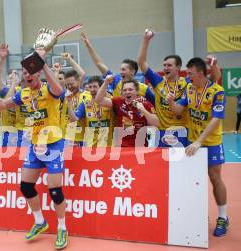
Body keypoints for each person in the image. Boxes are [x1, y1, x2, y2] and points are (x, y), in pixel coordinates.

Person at [0, 47, 69, 250]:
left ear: (38, 72)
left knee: (55, 190)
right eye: (24, 72)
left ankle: (62, 228)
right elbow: (3, 106)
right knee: (26, 186)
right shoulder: (23, 94)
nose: (27, 75)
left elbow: (60, 91)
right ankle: (40, 222)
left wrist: (43, 62)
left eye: (30, 71)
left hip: (54, 143)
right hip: (35, 145)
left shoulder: (48, 89)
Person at [167, 57, 229, 237]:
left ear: (200, 73)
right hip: (193, 141)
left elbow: (216, 119)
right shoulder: (190, 88)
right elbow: (178, 110)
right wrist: (171, 101)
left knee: (214, 177)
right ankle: (193, 216)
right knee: (190, 179)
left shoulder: (217, 92)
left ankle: (223, 217)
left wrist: (200, 141)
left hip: (210, 142)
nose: (188, 76)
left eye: (191, 73)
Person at [137, 29, 189, 147]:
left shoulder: (187, 83)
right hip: (163, 131)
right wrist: (146, 40)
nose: (165, 67)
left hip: (182, 131)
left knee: (181, 164)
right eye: (164, 65)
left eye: (169, 65)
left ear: (178, 67)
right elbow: (141, 62)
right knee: (164, 165)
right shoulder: (158, 81)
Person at [80, 32, 155, 104]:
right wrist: (89, 46)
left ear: (132, 71)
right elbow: (99, 64)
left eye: (123, 69)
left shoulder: (144, 89)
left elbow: (156, 104)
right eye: (120, 69)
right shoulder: (116, 81)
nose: (121, 72)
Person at [95, 76, 160, 147]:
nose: (127, 92)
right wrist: (106, 82)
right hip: (121, 147)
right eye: (125, 90)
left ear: (137, 91)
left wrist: (143, 110)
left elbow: (156, 124)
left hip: (140, 147)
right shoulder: (118, 101)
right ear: (122, 92)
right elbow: (99, 100)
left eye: (130, 89)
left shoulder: (145, 104)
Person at [0, 43, 29, 147]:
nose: (12, 78)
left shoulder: (24, 91)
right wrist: (1, 59)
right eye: (10, 77)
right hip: (9, 131)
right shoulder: (6, 90)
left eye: (15, 75)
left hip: (24, 130)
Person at [67, 76, 113, 147]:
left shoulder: (111, 101)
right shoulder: (85, 103)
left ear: (102, 88)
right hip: (91, 147)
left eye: (95, 87)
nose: (92, 89)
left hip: (109, 147)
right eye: (90, 87)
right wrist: (69, 102)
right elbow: (74, 119)